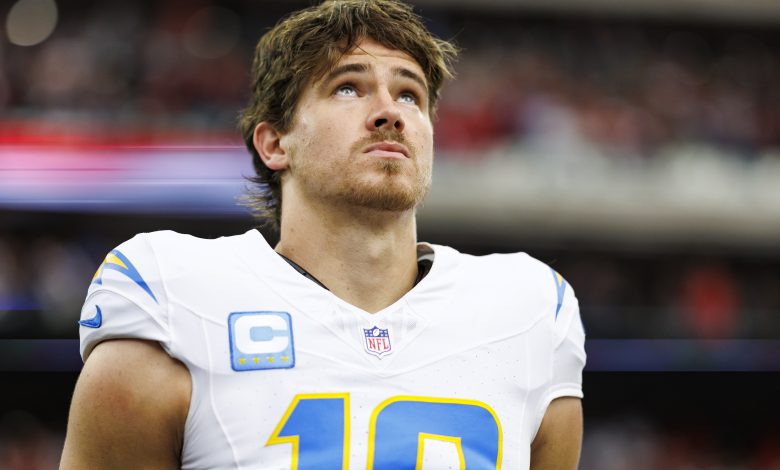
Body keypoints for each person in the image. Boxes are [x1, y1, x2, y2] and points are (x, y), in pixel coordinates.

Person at [60, 0, 586, 468]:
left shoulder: (529, 310)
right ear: (274, 144)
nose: (388, 114)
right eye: (348, 87)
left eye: (409, 95)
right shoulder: (176, 296)